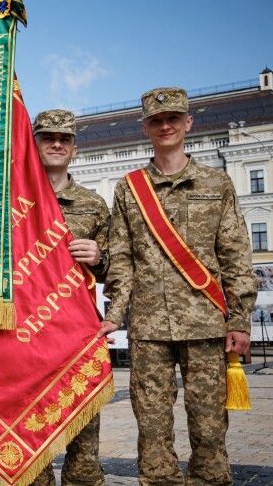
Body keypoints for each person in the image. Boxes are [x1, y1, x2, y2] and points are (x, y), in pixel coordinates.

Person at [100, 88, 257, 484]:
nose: (165, 125)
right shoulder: (129, 188)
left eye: (173, 118)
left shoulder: (216, 183)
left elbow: (236, 255)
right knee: (152, 428)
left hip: (207, 325)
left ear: (188, 122)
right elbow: (121, 258)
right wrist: (114, 315)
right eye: (156, 120)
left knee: (208, 428)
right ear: (146, 127)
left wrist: (239, 321)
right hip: (149, 329)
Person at [29, 109, 109, 486]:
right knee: (30, 426)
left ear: (74, 148)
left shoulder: (94, 204)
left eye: (64, 139)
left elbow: (118, 266)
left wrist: (99, 256)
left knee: (83, 431)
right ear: (35, 144)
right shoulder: (7, 202)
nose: (56, 144)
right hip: (24, 334)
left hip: (78, 331)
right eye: (47, 137)